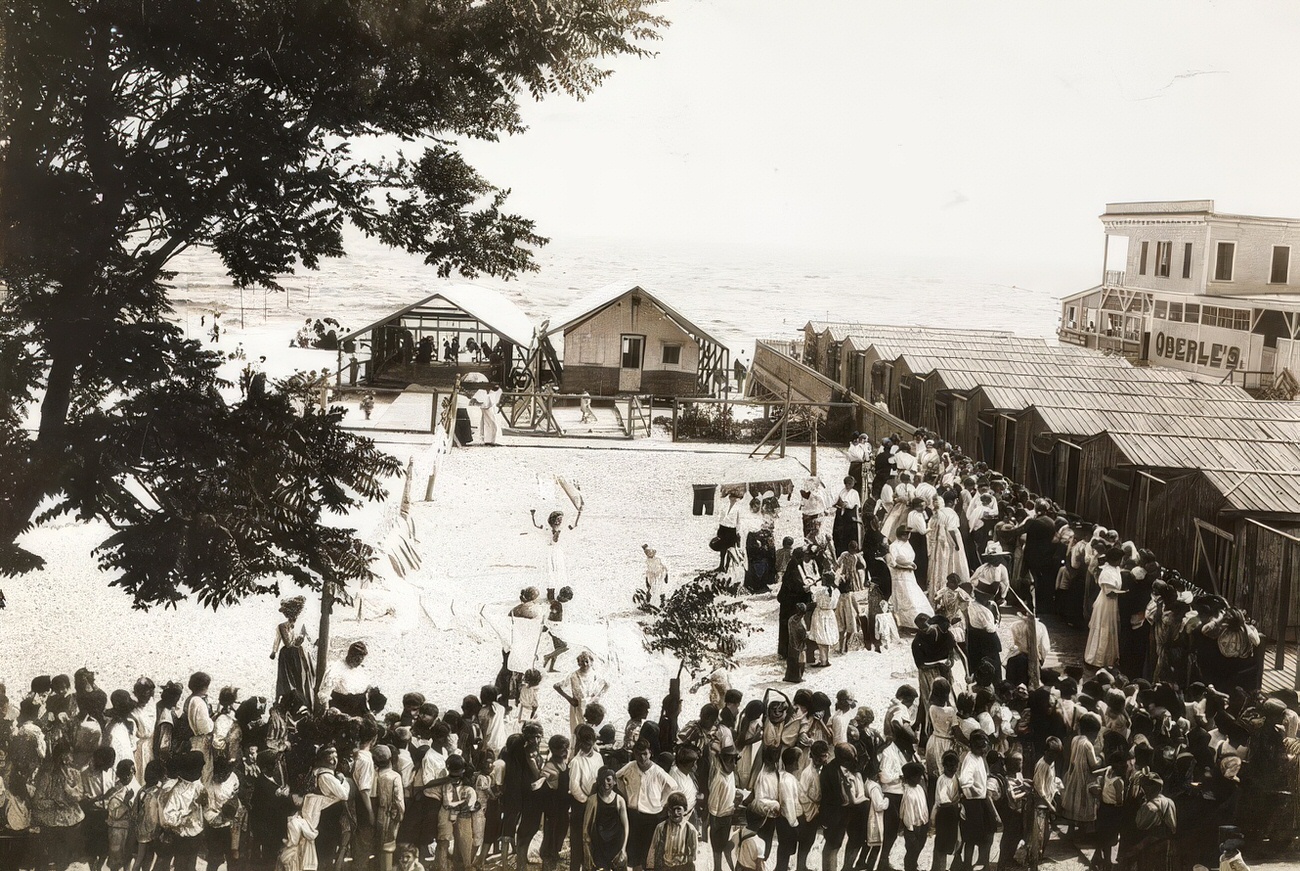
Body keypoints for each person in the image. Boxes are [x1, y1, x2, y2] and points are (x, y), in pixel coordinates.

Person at [271, 595, 316, 709]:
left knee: (303, 678)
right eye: (290, 614)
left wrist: (314, 642)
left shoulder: (301, 625)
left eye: (294, 614)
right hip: (288, 655)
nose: (292, 617)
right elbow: (280, 639)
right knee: (288, 680)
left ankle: (305, 703)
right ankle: (287, 703)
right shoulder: (282, 626)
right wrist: (274, 651)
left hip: (300, 654)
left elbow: (309, 638)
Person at [886, 529, 933, 631]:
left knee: (914, 593)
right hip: (899, 575)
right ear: (902, 535)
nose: (909, 536)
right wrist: (906, 566)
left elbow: (910, 558)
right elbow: (893, 563)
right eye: (907, 534)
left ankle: (921, 619)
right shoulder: (894, 546)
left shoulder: (907, 544)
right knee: (905, 596)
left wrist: (911, 565)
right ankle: (905, 622)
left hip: (909, 574)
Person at [1084, 547, 1124, 668]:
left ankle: (1110, 658)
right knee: (1104, 626)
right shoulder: (1107, 572)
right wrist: (1123, 593)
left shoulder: (1115, 569)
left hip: (1112, 603)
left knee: (1111, 627)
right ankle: (1099, 659)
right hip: (1106, 603)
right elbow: (1109, 592)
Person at [584, 767, 628, 871]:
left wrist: (623, 848)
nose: (605, 783)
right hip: (599, 843)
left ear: (614, 781)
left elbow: (626, 825)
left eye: (608, 780)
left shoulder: (620, 800)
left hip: (616, 842)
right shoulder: (592, 800)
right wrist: (587, 849)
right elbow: (586, 827)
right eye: (602, 780)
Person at [555, 652, 610, 734]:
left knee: (590, 728)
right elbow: (556, 686)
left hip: (591, 707)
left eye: (587, 661)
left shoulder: (594, 675)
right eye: (582, 661)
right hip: (577, 706)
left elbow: (607, 685)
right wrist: (569, 699)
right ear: (578, 663)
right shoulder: (573, 675)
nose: (584, 664)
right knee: (578, 729)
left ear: (591, 662)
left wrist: (596, 698)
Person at [926, 491, 969, 596]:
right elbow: (951, 530)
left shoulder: (940, 512)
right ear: (952, 501)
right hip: (950, 541)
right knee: (954, 562)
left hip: (940, 543)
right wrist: (957, 545)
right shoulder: (951, 513)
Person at [317, 641, 373, 716]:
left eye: (361, 660)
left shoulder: (360, 671)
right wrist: (328, 711)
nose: (358, 663)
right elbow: (324, 693)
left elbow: (366, 694)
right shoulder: (336, 669)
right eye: (357, 659)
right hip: (341, 711)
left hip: (359, 710)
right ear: (350, 655)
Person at [647, 793, 697, 871]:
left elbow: (693, 853)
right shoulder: (661, 827)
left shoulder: (690, 829)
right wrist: (650, 867)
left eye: (678, 809)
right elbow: (653, 848)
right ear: (668, 811)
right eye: (672, 810)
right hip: (665, 866)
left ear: (685, 809)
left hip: (683, 867)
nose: (675, 813)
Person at [899, 760, 929, 871]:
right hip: (913, 827)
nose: (919, 779)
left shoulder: (920, 789)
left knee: (919, 848)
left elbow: (924, 806)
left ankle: (914, 866)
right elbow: (908, 814)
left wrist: (926, 821)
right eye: (916, 777)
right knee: (912, 849)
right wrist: (910, 830)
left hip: (922, 823)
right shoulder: (908, 793)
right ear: (909, 778)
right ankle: (909, 867)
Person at [531, 510, 572, 589]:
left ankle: (560, 588)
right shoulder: (549, 529)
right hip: (550, 552)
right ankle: (552, 591)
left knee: (559, 568)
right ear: (554, 520)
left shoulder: (559, 529)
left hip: (556, 551)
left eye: (561, 519)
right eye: (559, 519)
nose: (560, 521)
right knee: (551, 570)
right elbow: (536, 526)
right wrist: (532, 516)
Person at [808, 574, 840, 668]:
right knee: (827, 637)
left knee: (821, 638)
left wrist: (813, 583)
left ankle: (823, 661)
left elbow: (813, 597)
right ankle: (825, 659)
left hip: (820, 614)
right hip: (830, 614)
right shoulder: (836, 591)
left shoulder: (821, 591)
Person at [831, 476, 862, 556]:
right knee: (840, 534)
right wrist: (839, 503)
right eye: (846, 484)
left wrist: (845, 504)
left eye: (849, 484)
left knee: (849, 535)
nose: (847, 486)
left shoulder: (854, 493)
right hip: (842, 515)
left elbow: (852, 505)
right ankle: (840, 551)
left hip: (850, 516)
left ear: (852, 484)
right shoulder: (843, 491)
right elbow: (837, 500)